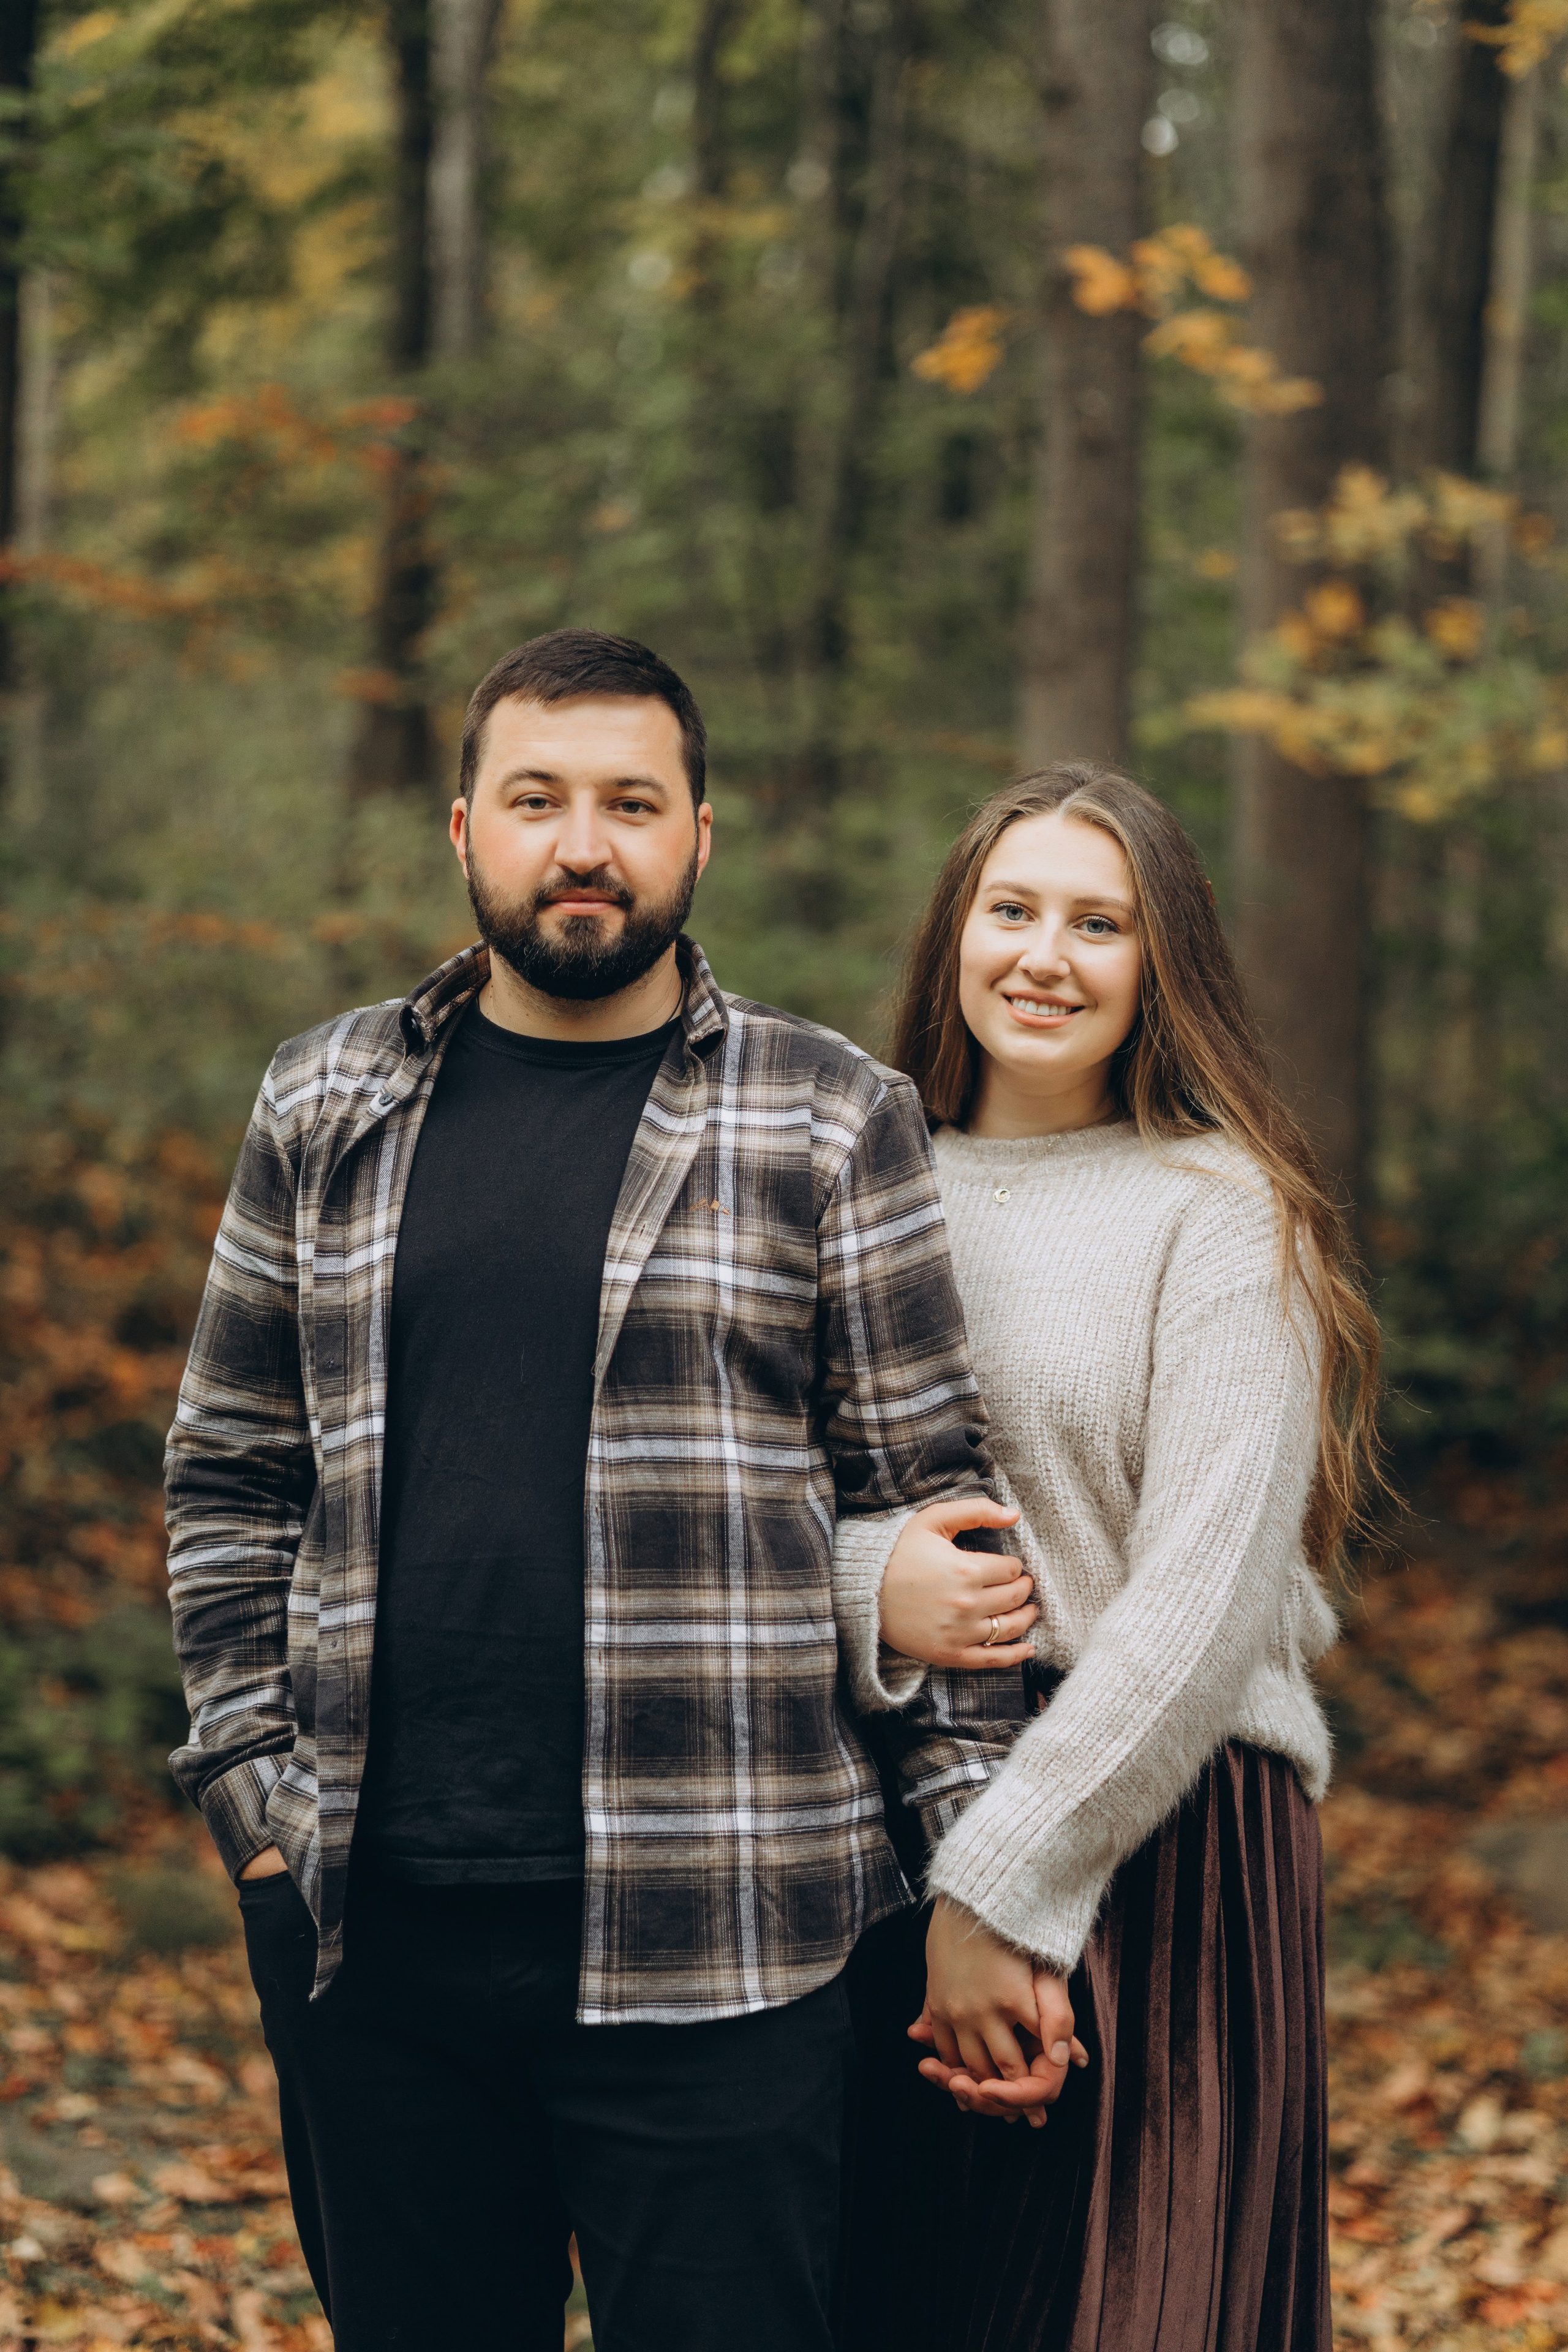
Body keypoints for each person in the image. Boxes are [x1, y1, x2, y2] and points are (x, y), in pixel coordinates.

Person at [164, 628, 1038, 2352]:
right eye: (537, 800)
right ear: (464, 829)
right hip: (372, 1943)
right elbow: (233, 1469)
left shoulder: (827, 1116)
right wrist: (252, 1797)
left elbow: (939, 1503)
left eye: (632, 804)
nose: (584, 846)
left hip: (729, 1934)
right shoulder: (324, 1097)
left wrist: (980, 1885)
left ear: (700, 834)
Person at [832, 764, 1382, 2352]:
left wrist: (1004, 1890)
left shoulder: (1223, 1211)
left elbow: (1205, 1600)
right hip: (888, 1816)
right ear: (954, 933)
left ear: (1163, 962)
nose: (1045, 957)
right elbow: (743, 1506)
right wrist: (868, 1585)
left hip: (1170, 1830)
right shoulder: (856, 1190)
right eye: (1012, 909)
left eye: (1100, 923)